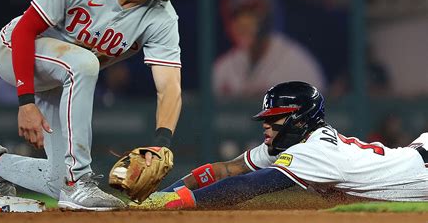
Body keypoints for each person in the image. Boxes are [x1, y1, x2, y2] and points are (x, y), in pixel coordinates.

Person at [0, 0, 205, 211]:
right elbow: (26, 29)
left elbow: (170, 87)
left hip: (60, 76)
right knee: (85, 63)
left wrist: (161, 142)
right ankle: (79, 182)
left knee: (55, 180)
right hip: (15, 51)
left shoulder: (163, 18)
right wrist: (26, 101)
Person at [136, 81, 428, 209]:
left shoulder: (315, 151)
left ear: (300, 119)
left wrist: (178, 202)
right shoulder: (288, 142)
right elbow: (229, 170)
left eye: (275, 118)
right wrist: (160, 196)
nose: (266, 124)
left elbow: (249, 186)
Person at [213, 0, 326, 98]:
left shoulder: (299, 66)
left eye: (252, 12)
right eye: (237, 13)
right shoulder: (223, 68)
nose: (244, 20)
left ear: (267, 15)